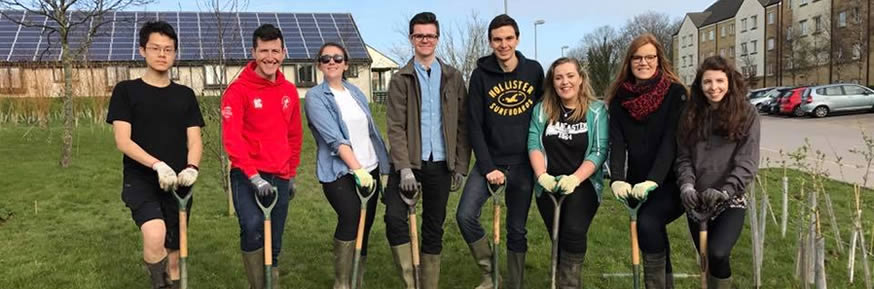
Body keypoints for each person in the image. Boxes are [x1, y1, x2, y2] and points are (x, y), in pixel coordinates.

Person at [107, 20, 204, 289]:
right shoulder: (126, 91)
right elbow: (122, 141)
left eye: (168, 49)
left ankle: (169, 281)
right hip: (141, 179)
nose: (162, 54)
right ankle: (157, 283)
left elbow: (195, 140)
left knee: (174, 256)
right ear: (142, 51)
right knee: (154, 234)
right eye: (155, 48)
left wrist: (192, 167)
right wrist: (157, 164)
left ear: (175, 54)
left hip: (179, 183)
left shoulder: (185, 95)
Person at [456, 14, 544, 289]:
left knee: (516, 228)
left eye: (508, 38)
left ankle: (514, 284)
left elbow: (543, 116)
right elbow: (474, 124)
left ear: (517, 39)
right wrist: (487, 165)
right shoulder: (480, 76)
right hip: (490, 161)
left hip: (523, 164)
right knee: (465, 215)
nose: (503, 45)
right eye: (497, 39)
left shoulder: (534, 71)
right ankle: (492, 274)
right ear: (490, 42)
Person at [384, 12, 470, 289]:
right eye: (419, 35)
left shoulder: (453, 77)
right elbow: (395, 126)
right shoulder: (400, 79)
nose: (425, 40)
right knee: (394, 219)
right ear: (411, 39)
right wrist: (405, 168)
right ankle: (412, 283)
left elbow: (461, 125)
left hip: (441, 165)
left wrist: (459, 165)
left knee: (434, 227)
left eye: (430, 35)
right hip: (409, 165)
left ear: (437, 39)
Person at [221, 24, 302, 289]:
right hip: (247, 175)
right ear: (254, 52)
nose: (270, 57)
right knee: (254, 227)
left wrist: (290, 174)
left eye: (275, 51)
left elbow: (294, 136)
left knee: (274, 240)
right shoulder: (238, 91)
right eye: (264, 50)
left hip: (279, 174)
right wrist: (254, 178)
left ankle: (271, 285)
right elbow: (232, 139)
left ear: (284, 52)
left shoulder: (289, 91)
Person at [304, 42, 390, 289]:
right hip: (340, 172)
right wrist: (357, 169)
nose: (332, 62)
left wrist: (381, 167)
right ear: (319, 64)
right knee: (351, 218)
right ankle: (342, 284)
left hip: (370, 167)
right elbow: (333, 138)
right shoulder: (315, 97)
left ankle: (357, 281)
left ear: (346, 64)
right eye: (326, 58)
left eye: (338, 58)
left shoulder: (356, 93)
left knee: (365, 226)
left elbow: (371, 131)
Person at [606, 33, 687, 289]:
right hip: (637, 183)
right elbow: (617, 142)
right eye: (637, 58)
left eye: (650, 57)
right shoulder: (620, 98)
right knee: (653, 234)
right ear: (629, 62)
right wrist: (617, 178)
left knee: (649, 223)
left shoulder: (676, 94)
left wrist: (654, 179)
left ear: (659, 60)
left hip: (672, 180)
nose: (644, 62)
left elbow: (670, 142)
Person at [675, 56, 760, 289]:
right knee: (706, 259)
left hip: (729, 199)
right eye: (707, 82)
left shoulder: (746, 114)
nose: (714, 87)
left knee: (718, 252)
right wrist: (686, 186)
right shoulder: (690, 114)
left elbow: (748, 160)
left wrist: (726, 190)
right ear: (700, 85)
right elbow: (683, 158)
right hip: (697, 201)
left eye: (720, 81)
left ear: (730, 82)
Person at [527, 57, 608, 288]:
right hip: (548, 184)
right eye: (559, 77)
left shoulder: (596, 111)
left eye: (570, 76)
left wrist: (574, 179)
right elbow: (533, 143)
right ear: (552, 82)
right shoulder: (542, 110)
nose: (565, 82)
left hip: (583, 184)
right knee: (559, 237)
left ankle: (569, 284)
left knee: (573, 231)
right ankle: (563, 280)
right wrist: (542, 175)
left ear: (581, 79)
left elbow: (598, 151)